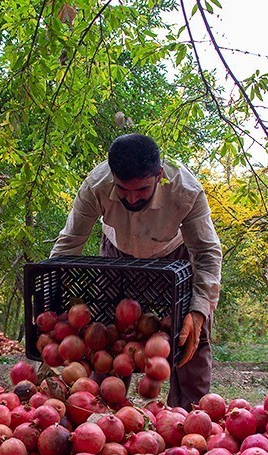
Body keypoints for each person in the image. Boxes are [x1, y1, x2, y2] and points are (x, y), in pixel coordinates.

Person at [50, 133, 222, 410]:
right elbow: (70, 241)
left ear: (159, 175)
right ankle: (103, 413)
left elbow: (206, 252)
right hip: (118, 253)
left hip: (174, 255)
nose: (131, 199)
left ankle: (189, 415)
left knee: (191, 338)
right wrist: (54, 300)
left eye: (141, 189)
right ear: (112, 178)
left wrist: (200, 311)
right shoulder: (96, 185)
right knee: (107, 336)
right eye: (123, 189)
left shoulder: (186, 190)